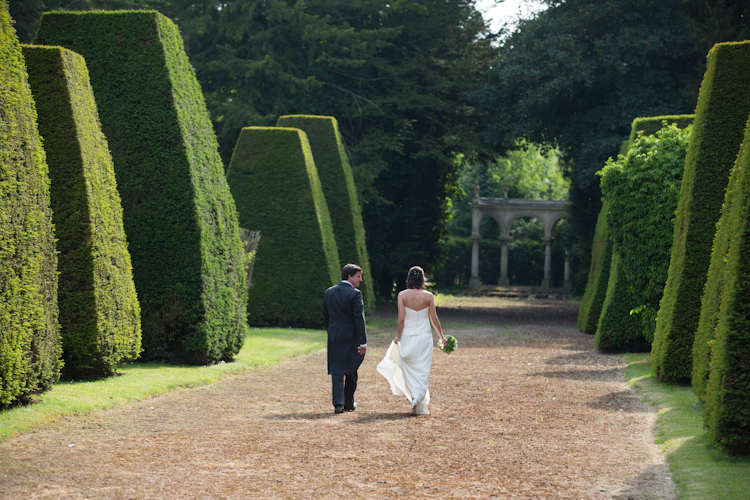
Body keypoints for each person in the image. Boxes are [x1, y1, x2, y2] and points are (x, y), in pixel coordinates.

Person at [377, 266, 447, 415]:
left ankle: (415, 398)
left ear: (408, 278)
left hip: (408, 335)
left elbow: (402, 318)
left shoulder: (402, 295)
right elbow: (433, 318)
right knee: (422, 368)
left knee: (409, 367)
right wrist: (441, 336)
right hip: (424, 335)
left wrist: (399, 336)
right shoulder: (429, 296)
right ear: (423, 279)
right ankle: (417, 397)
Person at [323, 264, 367, 414]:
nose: (360, 280)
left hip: (334, 333)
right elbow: (358, 319)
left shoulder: (329, 292)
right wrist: (363, 341)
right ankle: (349, 403)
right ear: (349, 276)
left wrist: (331, 331)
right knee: (351, 367)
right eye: (358, 276)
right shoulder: (355, 294)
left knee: (336, 369)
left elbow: (326, 316)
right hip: (351, 335)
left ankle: (338, 404)